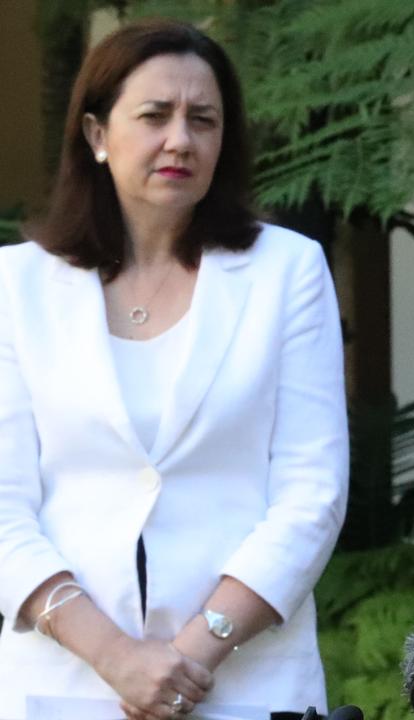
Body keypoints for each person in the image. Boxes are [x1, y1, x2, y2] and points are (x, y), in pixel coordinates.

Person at [0, 20, 347, 720]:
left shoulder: (287, 271)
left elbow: (313, 493)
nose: (180, 140)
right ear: (97, 135)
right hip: (62, 683)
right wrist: (116, 658)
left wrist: (194, 653)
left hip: (245, 680)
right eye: (154, 116)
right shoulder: (16, 288)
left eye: (203, 119)